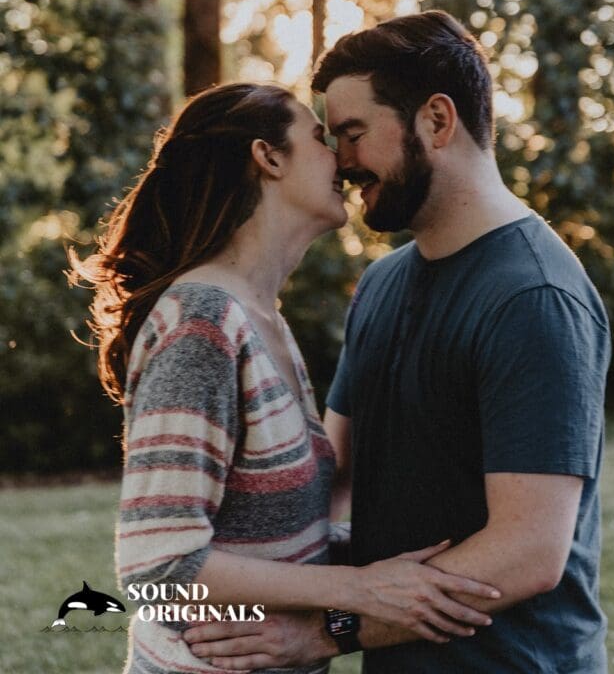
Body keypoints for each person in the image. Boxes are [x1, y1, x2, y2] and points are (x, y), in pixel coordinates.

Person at [184, 12, 611, 673]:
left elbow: (528, 549)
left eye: (352, 133)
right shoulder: (382, 284)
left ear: (436, 121)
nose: (340, 161)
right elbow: (330, 479)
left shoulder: (533, 297)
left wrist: (327, 631)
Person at [70, 81, 499, 674]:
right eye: (323, 138)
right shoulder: (202, 323)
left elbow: (272, 534)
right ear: (267, 157)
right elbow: (157, 570)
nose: (346, 162)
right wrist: (357, 590)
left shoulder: (260, 317)